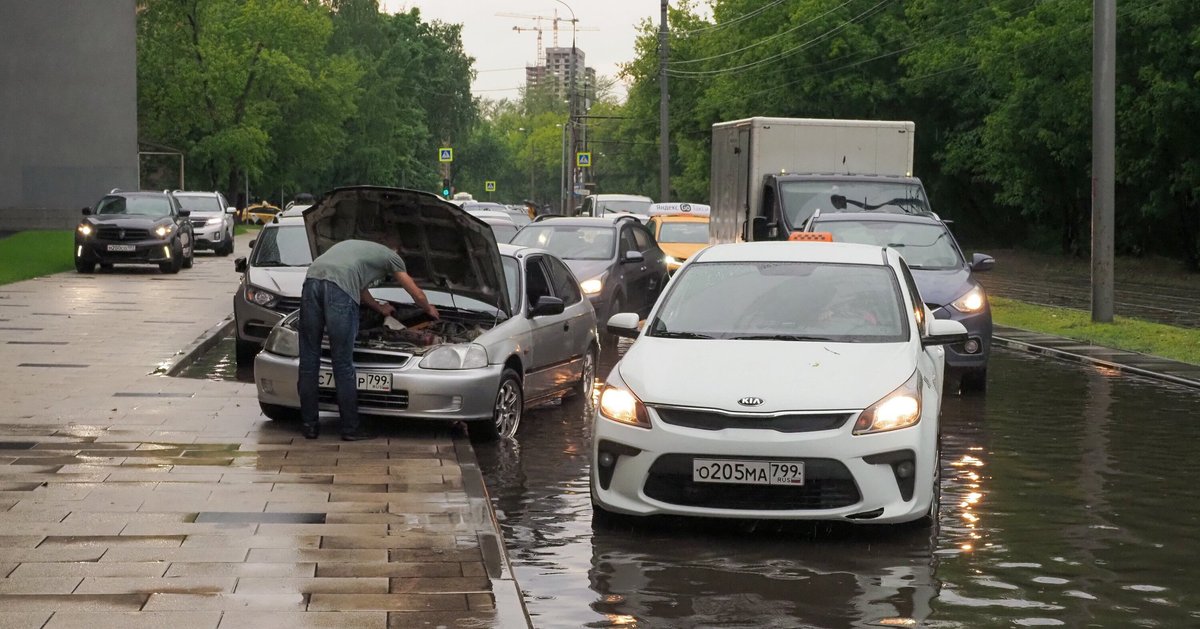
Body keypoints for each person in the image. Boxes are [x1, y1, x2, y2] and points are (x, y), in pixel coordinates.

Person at [297, 237, 439, 440]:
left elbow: (359, 288)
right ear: (396, 249)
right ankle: (350, 429)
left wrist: (380, 308)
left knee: (309, 360)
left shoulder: (353, 248)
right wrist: (429, 309)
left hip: (311, 282)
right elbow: (415, 292)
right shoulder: (392, 256)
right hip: (338, 291)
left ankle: (309, 426)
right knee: (342, 363)